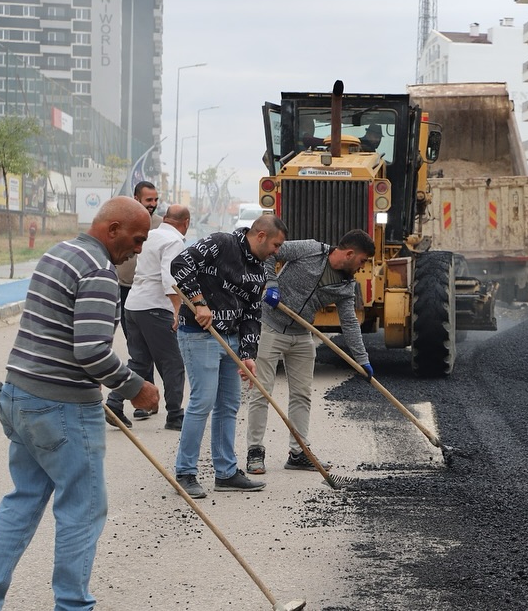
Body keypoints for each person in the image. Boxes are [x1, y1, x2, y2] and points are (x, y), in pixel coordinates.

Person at [0, 197, 160, 611]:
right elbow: (91, 351)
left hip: (20, 397)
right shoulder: (97, 270)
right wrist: (135, 388)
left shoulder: (59, 252)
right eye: (136, 238)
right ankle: (73, 606)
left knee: (22, 501)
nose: (139, 248)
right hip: (61, 408)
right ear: (112, 229)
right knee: (82, 509)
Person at [170, 214, 287, 499]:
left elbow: (251, 314)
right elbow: (180, 264)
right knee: (203, 401)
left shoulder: (259, 270)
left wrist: (248, 355)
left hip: (231, 339)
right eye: (275, 245)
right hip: (200, 334)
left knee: (229, 405)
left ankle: (226, 472)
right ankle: (185, 473)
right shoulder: (221, 243)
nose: (276, 252)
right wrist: (199, 302)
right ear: (260, 235)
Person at [247, 229, 376, 475]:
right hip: (271, 327)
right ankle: (255, 452)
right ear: (349, 253)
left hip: (301, 334)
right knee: (262, 391)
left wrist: (362, 360)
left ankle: (299, 453)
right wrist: (271, 283)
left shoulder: (347, 285)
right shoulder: (310, 249)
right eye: (362, 260)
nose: (362, 267)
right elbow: (270, 255)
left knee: (302, 395)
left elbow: (349, 323)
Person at [106, 204, 192, 432]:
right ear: (186, 223)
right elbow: (170, 277)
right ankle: (175, 415)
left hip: (133, 304)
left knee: (139, 361)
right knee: (172, 362)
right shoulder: (174, 241)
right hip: (155, 307)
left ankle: (114, 403)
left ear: (164, 218)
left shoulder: (151, 235)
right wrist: (177, 310)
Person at [111, 180, 162, 425]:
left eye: (155, 200)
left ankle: (144, 400)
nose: (152, 205)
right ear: (136, 198)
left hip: (149, 292)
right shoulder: (122, 222)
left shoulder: (161, 226)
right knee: (136, 346)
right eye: (148, 200)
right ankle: (141, 397)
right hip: (124, 290)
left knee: (147, 348)